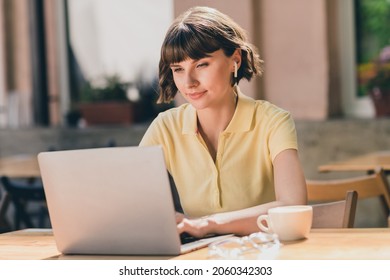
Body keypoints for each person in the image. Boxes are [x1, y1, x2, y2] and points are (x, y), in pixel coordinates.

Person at [139, 6, 307, 238]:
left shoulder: (273, 122)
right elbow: (133, 205)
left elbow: (292, 206)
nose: (189, 82)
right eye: (178, 69)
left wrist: (208, 224)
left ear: (234, 60)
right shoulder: (165, 127)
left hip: (264, 256)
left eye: (201, 65)